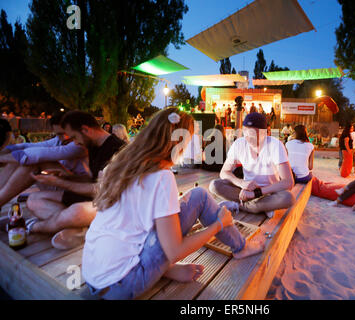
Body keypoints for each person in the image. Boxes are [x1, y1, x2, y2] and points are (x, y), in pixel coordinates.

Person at [82, 108, 264, 300]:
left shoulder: (120, 164)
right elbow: (175, 250)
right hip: (124, 284)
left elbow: (136, 223)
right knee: (200, 198)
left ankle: (164, 269)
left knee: (195, 196)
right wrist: (220, 224)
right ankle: (241, 247)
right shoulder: (161, 177)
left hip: (93, 276)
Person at [25, 111, 125, 249]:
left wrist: (60, 183)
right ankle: (79, 228)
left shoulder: (117, 150)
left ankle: (36, 227)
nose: (74, 142)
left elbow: (101, 191)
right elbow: (92, 180)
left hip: (108, 204)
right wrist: (67, 176)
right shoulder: (94, 146)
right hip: (91, 197)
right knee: (33, 200)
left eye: (74, 137)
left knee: (76, 211)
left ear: (85, 130)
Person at [209, 112, 295, 218]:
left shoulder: (275, 145)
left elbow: (288, 182)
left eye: (253, 134)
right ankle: (260, 207)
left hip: (269, 193)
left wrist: (256, 193)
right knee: (215, 185)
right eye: (246, 132)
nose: (249, 138)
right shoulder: (239, 144)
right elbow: (224, 172)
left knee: (288, 198)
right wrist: (241, 183)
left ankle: (240, 205)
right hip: (246, 191)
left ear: (265, 133)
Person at [0, 111, 89, 208]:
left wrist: (2, 158)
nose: (64, 137)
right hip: (63, 181)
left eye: (66, 133)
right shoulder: (59, 140)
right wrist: (6, 150)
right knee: (15, 160)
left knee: (32, 163)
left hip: (79, 187)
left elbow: (39, 154)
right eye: (59, 134)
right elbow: (30, 146)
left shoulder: (79, 145)